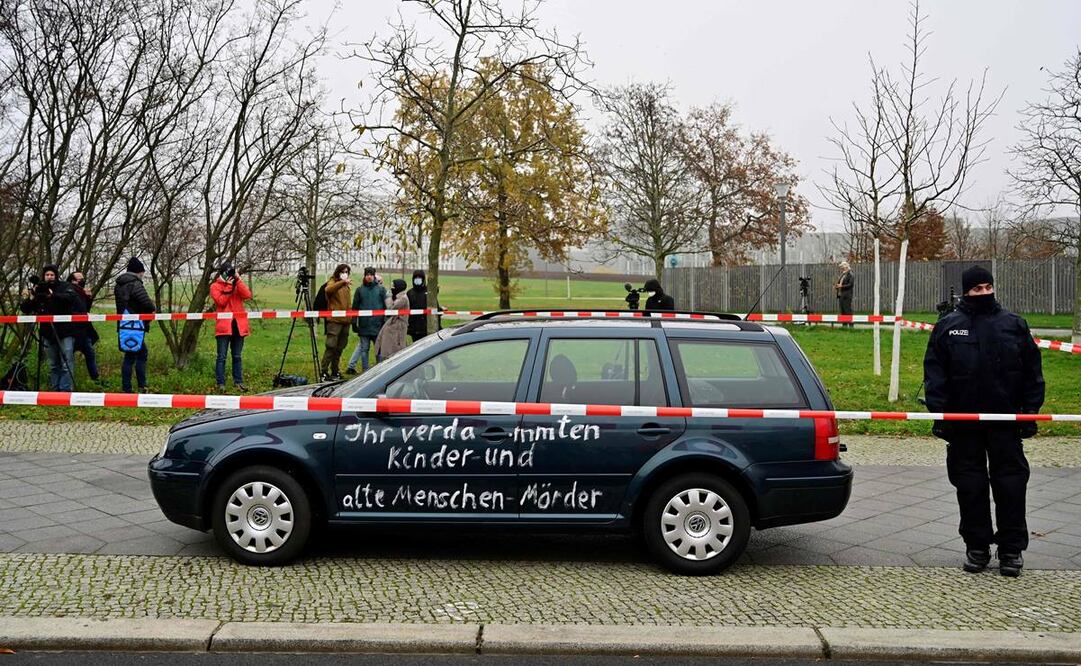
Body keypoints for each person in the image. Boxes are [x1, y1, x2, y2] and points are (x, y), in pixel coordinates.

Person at [923, 265, 1044, 578]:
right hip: (964, 423)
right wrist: (940, 415)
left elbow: (1032, 372)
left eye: (988, 287)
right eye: (977, 289)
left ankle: (1011, 550)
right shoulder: (948, 326)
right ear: (966, 291)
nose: (984, 293)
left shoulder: (1013, 324)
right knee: (970, 485)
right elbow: (935, 373)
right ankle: (976, 546)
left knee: (1011, 485)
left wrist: (1030, 413)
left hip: (1005, 421)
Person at [19, 264, 79, 391]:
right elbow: (25, 309)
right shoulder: (39, 289)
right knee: (53, 364)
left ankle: (65, 391)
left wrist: (53, 295)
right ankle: (54, 391)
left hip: (65, 331)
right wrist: (32, 297)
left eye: (52, 274)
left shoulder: (64, 286)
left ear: (56, 275)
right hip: (47, 332)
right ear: (43, 276)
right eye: (47, 275)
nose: (49, 277)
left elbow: (71, 298)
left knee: (66, 363)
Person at [114, 257, 156, 394]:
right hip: (135, 325)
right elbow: (146, 302)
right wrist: (152, 308)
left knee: (133, 354)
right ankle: (137, 387)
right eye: (142, 272)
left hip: (125, 324)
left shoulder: (119, 284)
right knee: (135, 355)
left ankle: (132, 387)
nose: (143, 274)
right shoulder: (135, 283)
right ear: (139, 271)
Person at [209, 262, 253, 392]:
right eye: (228, 272)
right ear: (222, 273)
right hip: (224, 327)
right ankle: (220, 383)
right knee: (221, 357)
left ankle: (238, 381)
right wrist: (228, 286)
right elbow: (221, 302)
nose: (230, 275)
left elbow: (247, 295)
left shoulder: (237, 284)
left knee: (237, 356)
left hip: (238, 325)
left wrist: (238, 280)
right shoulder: (215, 286)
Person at [346, 267, 390, 374]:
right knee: (364, 349)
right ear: (364, 276)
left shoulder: (381, 290)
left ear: (374, 276)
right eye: (367, 275)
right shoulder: (359, 290)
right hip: (364, 325)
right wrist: (354, 322)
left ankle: (380, 370)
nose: (369, 277)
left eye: (371, 275)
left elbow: (386, 307)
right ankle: (365, 371)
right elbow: (355, 308)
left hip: (378, 325)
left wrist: (385, 321)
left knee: (378, 350)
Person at [320, 263, 353, 381]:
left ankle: (335, 370)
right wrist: (342, 282)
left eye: (346, 272)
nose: (344, 274)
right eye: (342, 272)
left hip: (346, 321)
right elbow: (328, 290)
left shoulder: (346, 286)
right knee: (331, 346)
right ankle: (323, 371)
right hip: (335, 321)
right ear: (338, 272)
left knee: (340, 347)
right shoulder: (333, 282)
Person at [67, 271, 100, 384]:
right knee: (68, 358)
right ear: (73, 281)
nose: (82, 281)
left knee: (90, 354)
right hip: (72, 331)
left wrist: (88, 298)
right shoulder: (70, 292)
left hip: (84, 331)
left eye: (83, 278)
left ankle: (96, 380)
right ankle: (68, 382)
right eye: (80, 279)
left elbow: (85, 309)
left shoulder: (81, 292)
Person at [375, 279, 410, 362]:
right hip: (394, 326)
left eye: (393, 286)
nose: (392, 288)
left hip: (398, 328)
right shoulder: (400, 297)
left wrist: (388, 298)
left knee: (393, 349)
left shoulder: (403, 299)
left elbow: (391, 308)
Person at [406, 269, 429, 342]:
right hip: (414, 327)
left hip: (425, 326)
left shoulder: (428, 292)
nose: (417, 279)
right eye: (416, 277)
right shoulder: (410, 293)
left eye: (419, 277)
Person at [835, 261, 854, 328]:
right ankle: (844, 326)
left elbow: (850, 284)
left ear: (846, 267)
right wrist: (837, 286)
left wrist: (841, 286)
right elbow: (840, 283)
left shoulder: (850, 274)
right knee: (842, 310)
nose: (841, 269)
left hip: (847, 295)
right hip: (841, 295)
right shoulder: (843, 275)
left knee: (847, 310)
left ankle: (851, 325)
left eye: (842, 267)